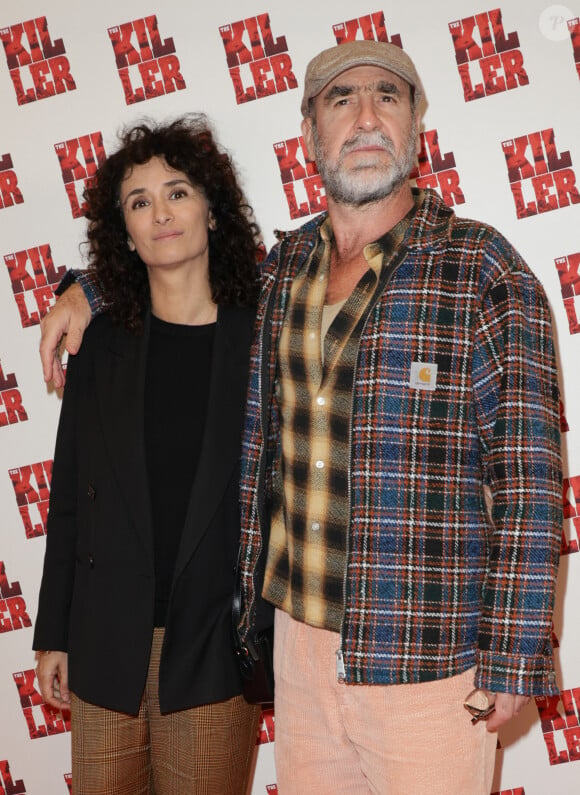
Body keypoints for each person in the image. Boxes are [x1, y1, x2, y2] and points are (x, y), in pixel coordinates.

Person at [39, 42, 562, 795]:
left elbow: (532, 484)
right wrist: (87, 288)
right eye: (340, 100)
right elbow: (174, 254)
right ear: (311, 134)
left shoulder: (483, 270)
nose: (366, 116)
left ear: (416, 125)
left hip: (428, 658)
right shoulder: (281, 270)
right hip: (297, 655)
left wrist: (511, 660)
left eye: (389, 95)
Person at [33, 115, 262, 795]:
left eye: (178, 192)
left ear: (213, 213)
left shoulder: (261, 340)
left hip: (212, 651)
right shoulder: (101, 345)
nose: (160, 213)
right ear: (123, 233)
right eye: (139, 202)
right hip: (104, 645)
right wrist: (54, 631)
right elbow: (70, 494)